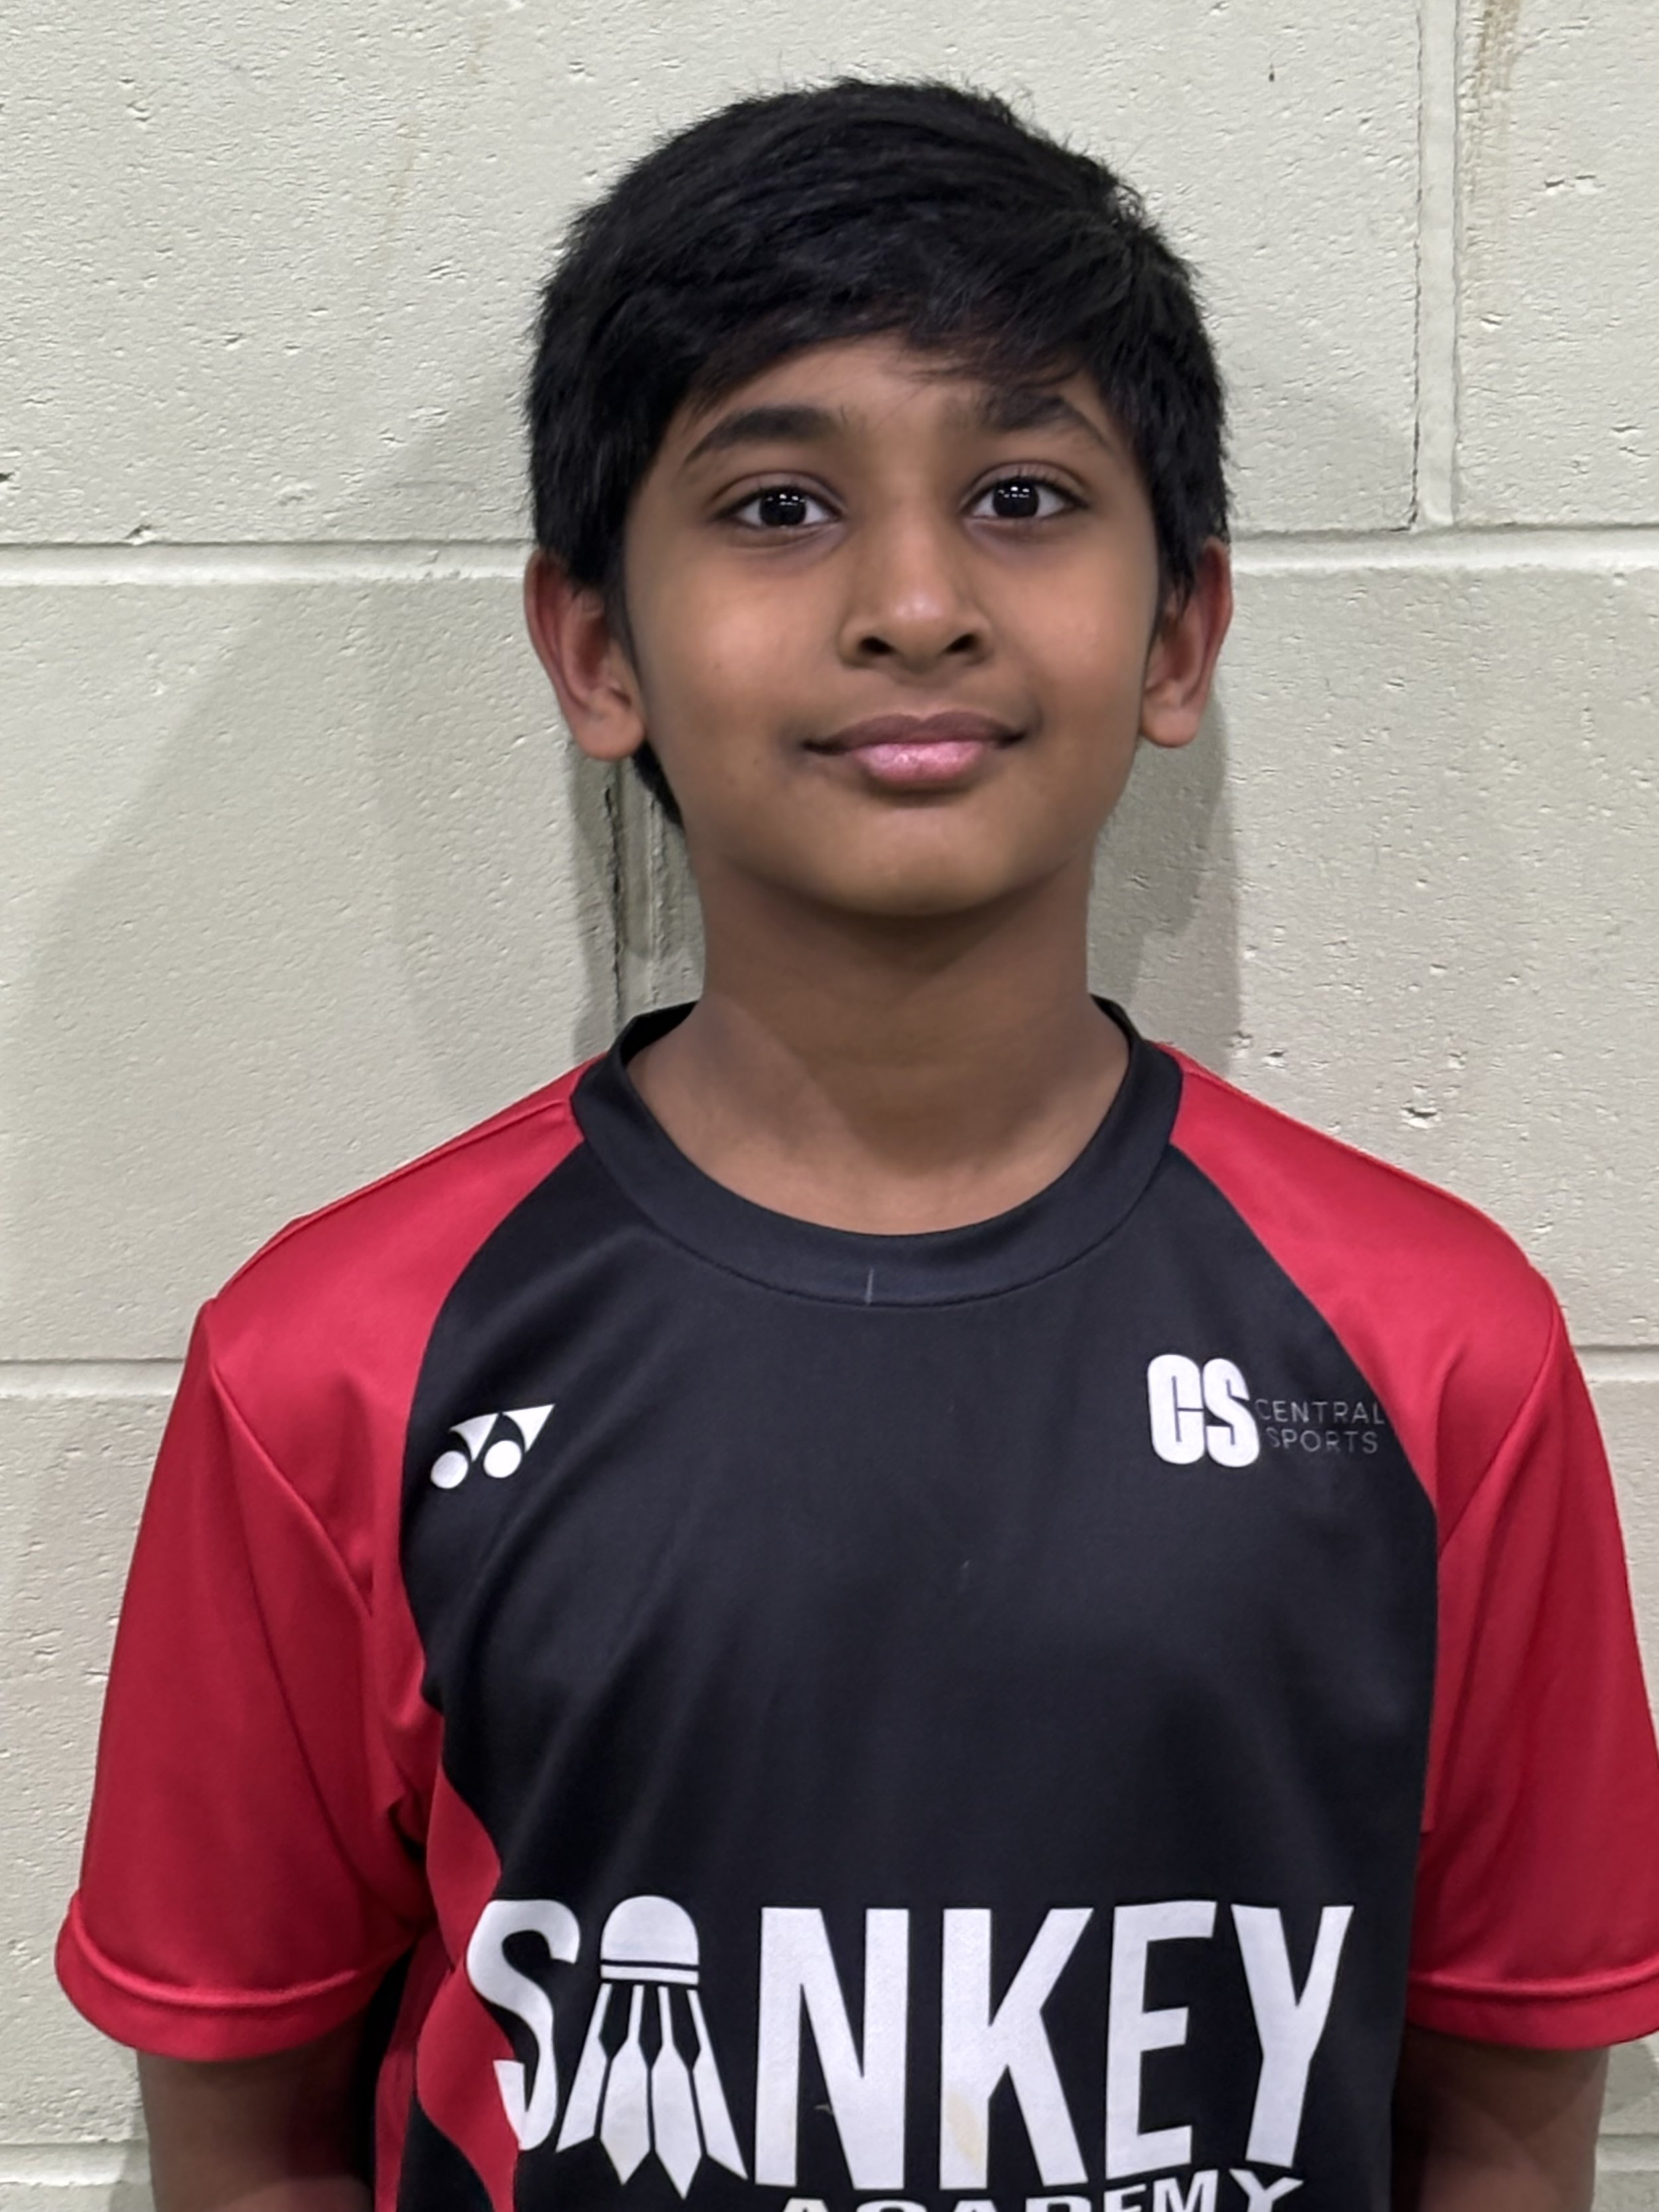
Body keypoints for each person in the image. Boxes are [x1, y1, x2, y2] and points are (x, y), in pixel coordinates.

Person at [57, 78, 1659, 2212]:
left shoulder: (1436, 1352)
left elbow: (1505, 2116)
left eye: (1020, 494)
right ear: (596, 650)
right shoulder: (331, 1369)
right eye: (779, 505)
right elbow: (249, 2138)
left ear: (1177, 631)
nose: (913, 601)